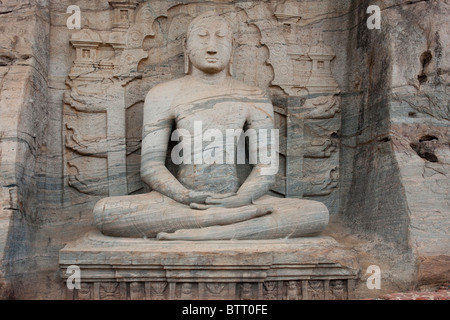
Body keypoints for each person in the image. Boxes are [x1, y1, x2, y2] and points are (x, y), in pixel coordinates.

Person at [93, 12, 329, 240]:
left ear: (232, 46)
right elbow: (151, 167)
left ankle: (209, 229)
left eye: (221, 37)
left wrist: (240, 199)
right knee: (106, 213)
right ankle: (231, 225)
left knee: (316, 213)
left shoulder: (253, 96)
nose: (212, 46)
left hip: (238, 200)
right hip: (179, 203)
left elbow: (266, 167)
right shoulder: (163, 94)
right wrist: (185, 195)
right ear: (186, 45)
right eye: (202, 36)